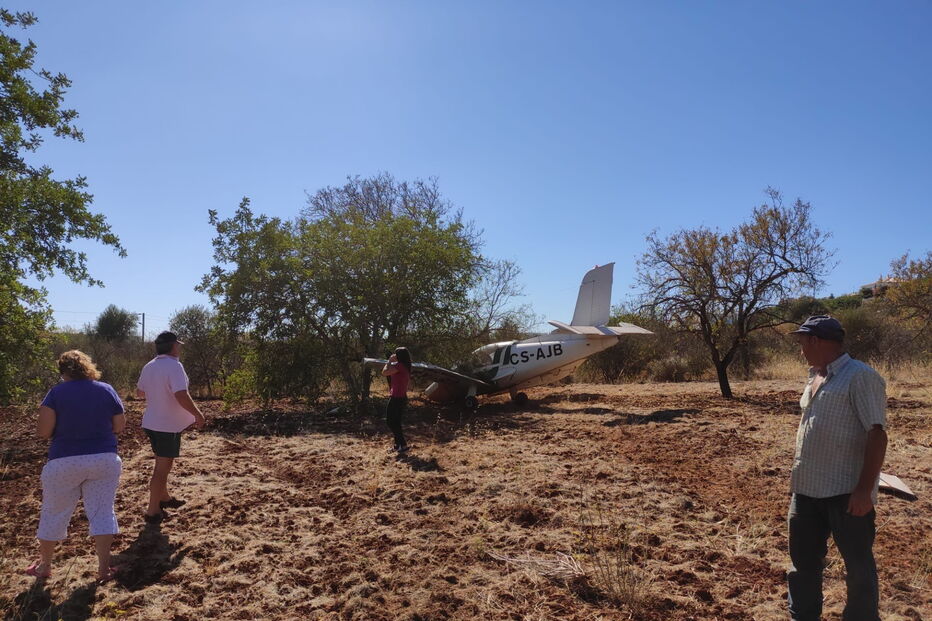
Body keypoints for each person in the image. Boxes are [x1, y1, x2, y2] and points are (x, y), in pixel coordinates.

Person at [787, 315, 887, 621]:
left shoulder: (860, 377)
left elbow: (877, 435)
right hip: (806, 489)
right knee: (802, 565)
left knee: (858, 567)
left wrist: (863, 490)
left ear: (815, 341)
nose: (801, 348)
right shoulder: (815, 375)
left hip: (846, 493)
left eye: (802, 342)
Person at [26, 350, 126, 583]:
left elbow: (43, 432)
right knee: (102, 511)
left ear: (62, 371)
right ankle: (103, 570)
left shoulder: (55, 394)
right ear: (88, 367)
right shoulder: (106, 389)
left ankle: (45, 567)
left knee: (53, 512)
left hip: (64, 461)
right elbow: (119, 425)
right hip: (104, 460)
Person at [136, 331, 205, 523]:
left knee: (163, 463)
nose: (180, 348)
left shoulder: (149, 365)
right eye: (178, 345)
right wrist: (197, 414)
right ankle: (152, 511)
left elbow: (140, 392)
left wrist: (157, 391)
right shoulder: (175, 366)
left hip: (152, 423)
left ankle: (164, 497)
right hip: (166, 426)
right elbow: (181, 394)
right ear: (173, 346)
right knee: (161, 469)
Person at [381, 347, 412, 453]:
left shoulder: (399, 366)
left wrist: (389, 360)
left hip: (397, 397)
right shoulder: (405, 366)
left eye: (396, 354)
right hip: (401, 397)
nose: (394, 355)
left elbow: (384, 372)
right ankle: (399, 445)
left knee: (390, 421)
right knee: (396, 422)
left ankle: (402, 444)